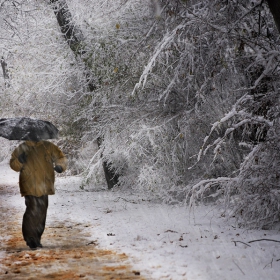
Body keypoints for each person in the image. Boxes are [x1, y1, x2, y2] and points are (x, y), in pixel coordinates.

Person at [10, 140, 67, 250]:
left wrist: (60, 166)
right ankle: (30, 238)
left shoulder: (48, 146)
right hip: (29, 184)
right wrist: (19, 161)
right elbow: (14, 165)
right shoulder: (22, 148)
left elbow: (61, 157)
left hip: (45, 184)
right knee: (32, 209)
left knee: (41, 211)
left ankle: (37, 238)